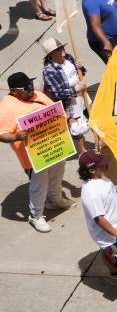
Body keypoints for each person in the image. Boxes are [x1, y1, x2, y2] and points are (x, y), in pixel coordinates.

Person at [0, 72, 73, 233]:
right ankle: (36, 216)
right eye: (26, 87)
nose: (31, 88)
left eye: (31, 84)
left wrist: (64, 116)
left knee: (57, 174)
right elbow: (1, 134)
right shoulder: (7, 106)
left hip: (55, 147)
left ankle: (54, 200)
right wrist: (15, 136)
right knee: (39, 185)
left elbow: (55, 111)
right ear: (14, 91)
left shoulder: (38, 95)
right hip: (32, 157)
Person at [78, 149, 117, 300]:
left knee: (108, 255)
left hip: (111, 233)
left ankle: (114, 275)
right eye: (103, 165)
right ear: (92, 169)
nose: (107, 166)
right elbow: (99, 219)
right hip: (110, 235)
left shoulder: (99, 179)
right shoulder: (91, 192)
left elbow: (107, 192)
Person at [39, 37, 89, 151]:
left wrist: (81, 68)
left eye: (62, 47)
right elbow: (58, 93)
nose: (62, 49)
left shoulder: (69, 57)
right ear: (50, 54)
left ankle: (101, 140)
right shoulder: (49, 71)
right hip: (69, 102)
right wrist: (77, 88)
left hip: (83, 95)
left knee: (95, 116)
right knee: (77, 129)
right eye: (58, 49)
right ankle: (83, 152)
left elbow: (80, 73)